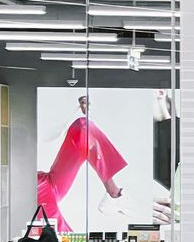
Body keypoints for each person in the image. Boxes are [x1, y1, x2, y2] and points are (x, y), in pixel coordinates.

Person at [38, 93, 128, 232]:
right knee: (58, 238)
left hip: (44, 181)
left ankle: (113, 193)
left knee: (82, 126)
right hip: (33, 190)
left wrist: (87, 118)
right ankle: (114, 195)